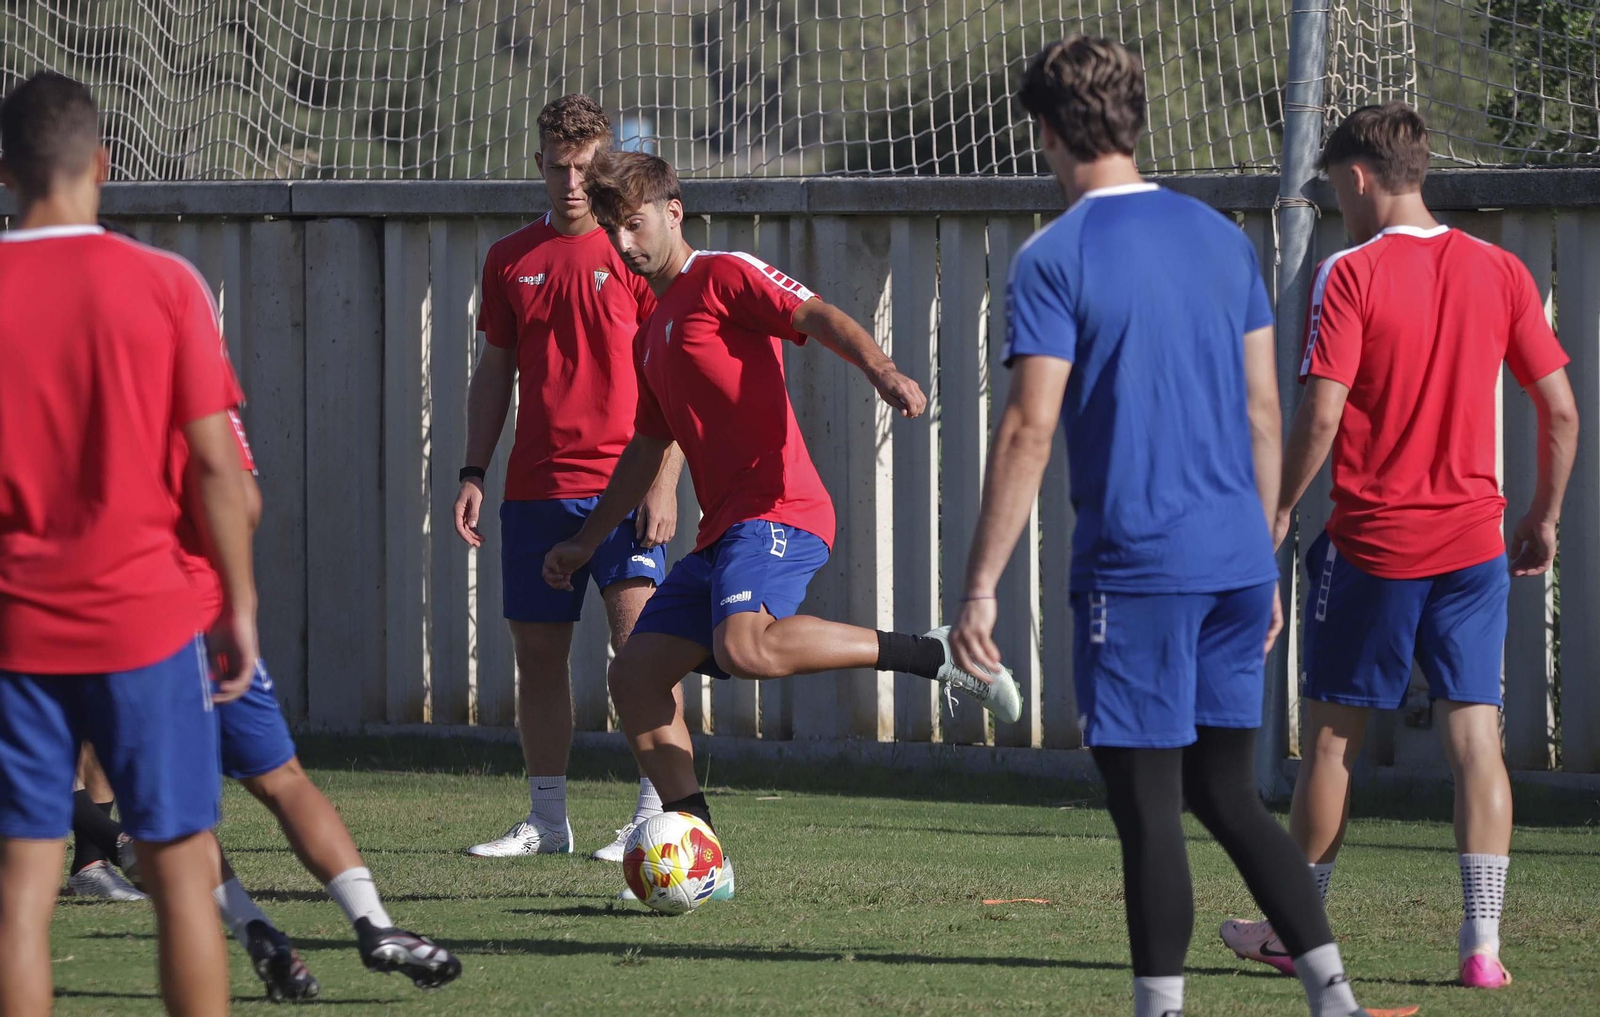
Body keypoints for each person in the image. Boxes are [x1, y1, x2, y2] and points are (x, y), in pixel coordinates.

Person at [946, 38, 1416, 1017]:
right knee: (1225, 794)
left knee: (1149, 808)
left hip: (1138, 575)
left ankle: (1159, 1009)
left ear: (1043, 133)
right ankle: (1333, 998)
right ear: (1133, 119)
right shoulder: (1218, 239)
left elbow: (1030, 425)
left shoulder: (1053, 255)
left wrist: (980, 586)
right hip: (1235, 568)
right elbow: (1261, 414)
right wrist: (1262, 559)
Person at [543, 150, 1021, 895]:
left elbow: (817, 313)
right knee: (634, 676)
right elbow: (646, 448)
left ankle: (932, 655)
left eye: (634, 225)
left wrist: (882, 367)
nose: (626, 245)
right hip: (723, 531)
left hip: (781, 508)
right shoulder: (651, 332)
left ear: (674, 211)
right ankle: (706, 856)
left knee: (744, 646)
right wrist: (585, 539)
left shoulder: (723, 274)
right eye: (613, 231)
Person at [1219, 102, 1577, 991]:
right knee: (1476, 741)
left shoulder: (1351, 273)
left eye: (1338, 189)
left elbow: (1324, 409)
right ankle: (1483, 945)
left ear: (1360, 177)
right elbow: (1561, 408)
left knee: (1333, 743)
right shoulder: (1500, 270)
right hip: (1472, 543)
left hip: (1373, 541)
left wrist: (1275, 510)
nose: (1340, 205)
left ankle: (1292, 932)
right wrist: (1542, 514)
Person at [0, 71, 256, 1017]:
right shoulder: (164, 284)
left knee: (21, 890)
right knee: (183, 873)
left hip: (17, 631)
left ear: (4, 172)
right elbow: (217, 470)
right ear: (102, 165)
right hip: (148, 626)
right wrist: (240, 602)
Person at [164, 379, 462, 997]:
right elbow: (240, 494)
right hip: (199, 614)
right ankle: (375, 924)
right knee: (283, 780)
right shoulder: (175, 326)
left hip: (113, 627)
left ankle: (255, 933)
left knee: (164, 818)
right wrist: (237, 602)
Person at [454, 94, 682, 861]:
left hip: (625, 487)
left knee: (641, 653)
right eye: (560, 167)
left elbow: (677, 370)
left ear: (607, 163)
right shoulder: (511, 258)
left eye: (588, 167)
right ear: (540, 166)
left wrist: (665, 480)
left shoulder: (637, 254)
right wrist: (473, 469)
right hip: (536, 492)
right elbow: (495, 371)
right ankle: (547, 820)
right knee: (539, 657)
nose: (575, 182)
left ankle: (655, 816)